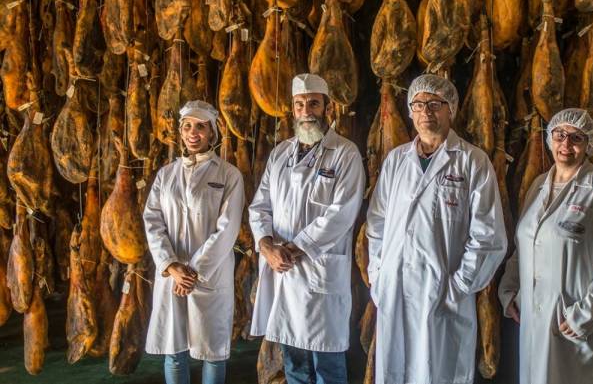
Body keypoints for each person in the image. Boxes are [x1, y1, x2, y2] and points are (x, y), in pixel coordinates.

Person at [366, 74, 507, 384]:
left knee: (437, 372)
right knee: (395, 371)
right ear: (409, 110)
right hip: (395, 289)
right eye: (418, 104)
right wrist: (377, 274)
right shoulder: (395, 161)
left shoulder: (473, 162)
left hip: (442, 294)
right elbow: (376, 223)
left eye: (434, 104)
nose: (425, 112)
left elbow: (489, 236)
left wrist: (457, 287)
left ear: (451, 109)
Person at [498, 108, 593, 384]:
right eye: (560, 135)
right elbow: (523, 245)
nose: (566, 144)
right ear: (550, 139)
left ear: (589, 145)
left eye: (576, 138)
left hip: (575, 323)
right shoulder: (538, 186)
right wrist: (509, 290)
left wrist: (584, 316)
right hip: (534, 320)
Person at [249, 73, 365, 384]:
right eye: (300, 104)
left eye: (313, 103)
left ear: (328, 108)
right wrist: (265, 244)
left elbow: (342, 213)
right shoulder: (279, 154)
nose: (306, 110)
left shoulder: (345, 153)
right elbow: (260, 207)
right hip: (281, 271)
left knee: (328, 366)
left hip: (318, 271)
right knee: (295, 366)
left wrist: (293, 248)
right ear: (293, 109)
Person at [143, 100, 244, 384]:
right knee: (174, 351)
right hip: (172, 274)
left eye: (201, 127)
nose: (193, 133)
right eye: (187, 126)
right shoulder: (166, 174)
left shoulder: (228, 174)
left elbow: (228, 227)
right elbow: (152, 221)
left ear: (212, 133)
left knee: (212, 352)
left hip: (209, 275)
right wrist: (171, 265)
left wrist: (192, 271)